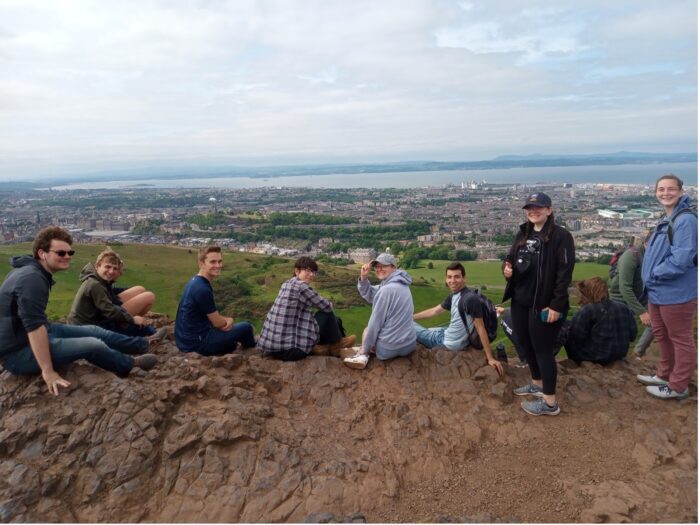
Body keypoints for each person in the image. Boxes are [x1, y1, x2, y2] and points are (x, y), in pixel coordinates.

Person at [0, 227, 158, 395]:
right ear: (42, 253)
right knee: (92, 345)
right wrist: (48, 371)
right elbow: (34, 327)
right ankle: (128, 363)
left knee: (94, 331)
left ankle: (143, 344)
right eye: (60, 253)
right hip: (17, 353)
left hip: (36, 333)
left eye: (70, 252)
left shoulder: (31, 271)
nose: (67, 256)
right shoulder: (32, 280)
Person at [503, 192, 575, 416]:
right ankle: (537, 383)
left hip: (543, 304)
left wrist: (556, 305)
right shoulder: (523, 232)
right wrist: (506, 269)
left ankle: (550, 403)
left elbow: (564, 274)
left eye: (539, 207)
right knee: (525, 343)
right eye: (530, 208)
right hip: (521, 300)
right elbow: (510, 258)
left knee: (543, 350)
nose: (533, 211)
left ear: (549, 210)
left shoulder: (560, 236)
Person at [637, 174, 698, 400]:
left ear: (681, 191)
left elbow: (682, 258)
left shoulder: (686, 220)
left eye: (671, 189)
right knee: (662, 334)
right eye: (661, 189)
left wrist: (654, 274)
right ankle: (665, 375)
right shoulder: (669, 217)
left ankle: (678, 385)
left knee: (680, 338)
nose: (665, 193)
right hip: (658, 291)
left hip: (676, 292)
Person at [413, 261, 504, 378]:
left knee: (407, 325)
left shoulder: (469, 299)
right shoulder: (457, 295)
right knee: (429, 329)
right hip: (450, 335)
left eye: (457, 277)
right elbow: (434, 311)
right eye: (449, 277)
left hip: (448, 343)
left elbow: (480, 328)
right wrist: (412, 316)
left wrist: (490, 358)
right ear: (446, 279)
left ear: (464, 278)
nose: (452, 281)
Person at [258, 257, 356, 361]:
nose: (312, 274)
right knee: (327, 314)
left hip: (271, 348)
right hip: (292, 351)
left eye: (314, 272)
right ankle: (336, 346)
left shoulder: (286, 284)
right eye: (308, 270)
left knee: (329, 319)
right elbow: (327, 306)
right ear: (297, 271)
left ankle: (323, 346)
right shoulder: (301, 286)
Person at [67, 248, 167, 340]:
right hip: (90, 327)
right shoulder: (94, 285)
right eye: (108, 267)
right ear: (97, 266)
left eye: (115, 269)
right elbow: (109, 311)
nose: (111, 271)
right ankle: (143, 338)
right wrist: (132, 319)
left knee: (140, 290)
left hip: (95, 321)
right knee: (148, 297)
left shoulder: (97, 279)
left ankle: (131, 326)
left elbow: (111, 292)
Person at [175, 245, 256, 356]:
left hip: (185, 340)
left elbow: (211, 316)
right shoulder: (202, 289)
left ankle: (231, 346)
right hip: (197, 344)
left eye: (220, 261)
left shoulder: (194, 281)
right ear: (201, 264)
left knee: (231, 337)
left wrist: (223, 320)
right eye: (213, 262)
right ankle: (254, 353)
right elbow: (218, 323)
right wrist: (229, 320)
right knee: (246, 328)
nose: (218, 265)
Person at [344, 253, 416, 370]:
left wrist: (366, 347)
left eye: (383, 266)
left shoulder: (386, 290)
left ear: (393, 267)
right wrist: (364, 278)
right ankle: (365, 348)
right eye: (377, 266)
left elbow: (375, 323)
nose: (379, 269)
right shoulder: (402, 284)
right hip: (409, 345)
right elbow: (371, 293)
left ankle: (362, 355)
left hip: (389, 350)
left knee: (367, 330)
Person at [563, 277, 637, 364]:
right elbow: (633, 335)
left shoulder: (587, 310)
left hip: (593, 357)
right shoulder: (624, 307)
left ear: (589, 292)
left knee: (565, 325)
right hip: (619, 355)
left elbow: (576, 337)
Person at [609, 233, 654, 358]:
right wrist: (641, 312)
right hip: (620, 298)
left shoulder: (652, 255)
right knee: (619, 331)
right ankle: (614, 356)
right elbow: (625, 288)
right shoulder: (631, 256)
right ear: (646, 243)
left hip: (641, 295)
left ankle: (637, 353)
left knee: (657, 320)